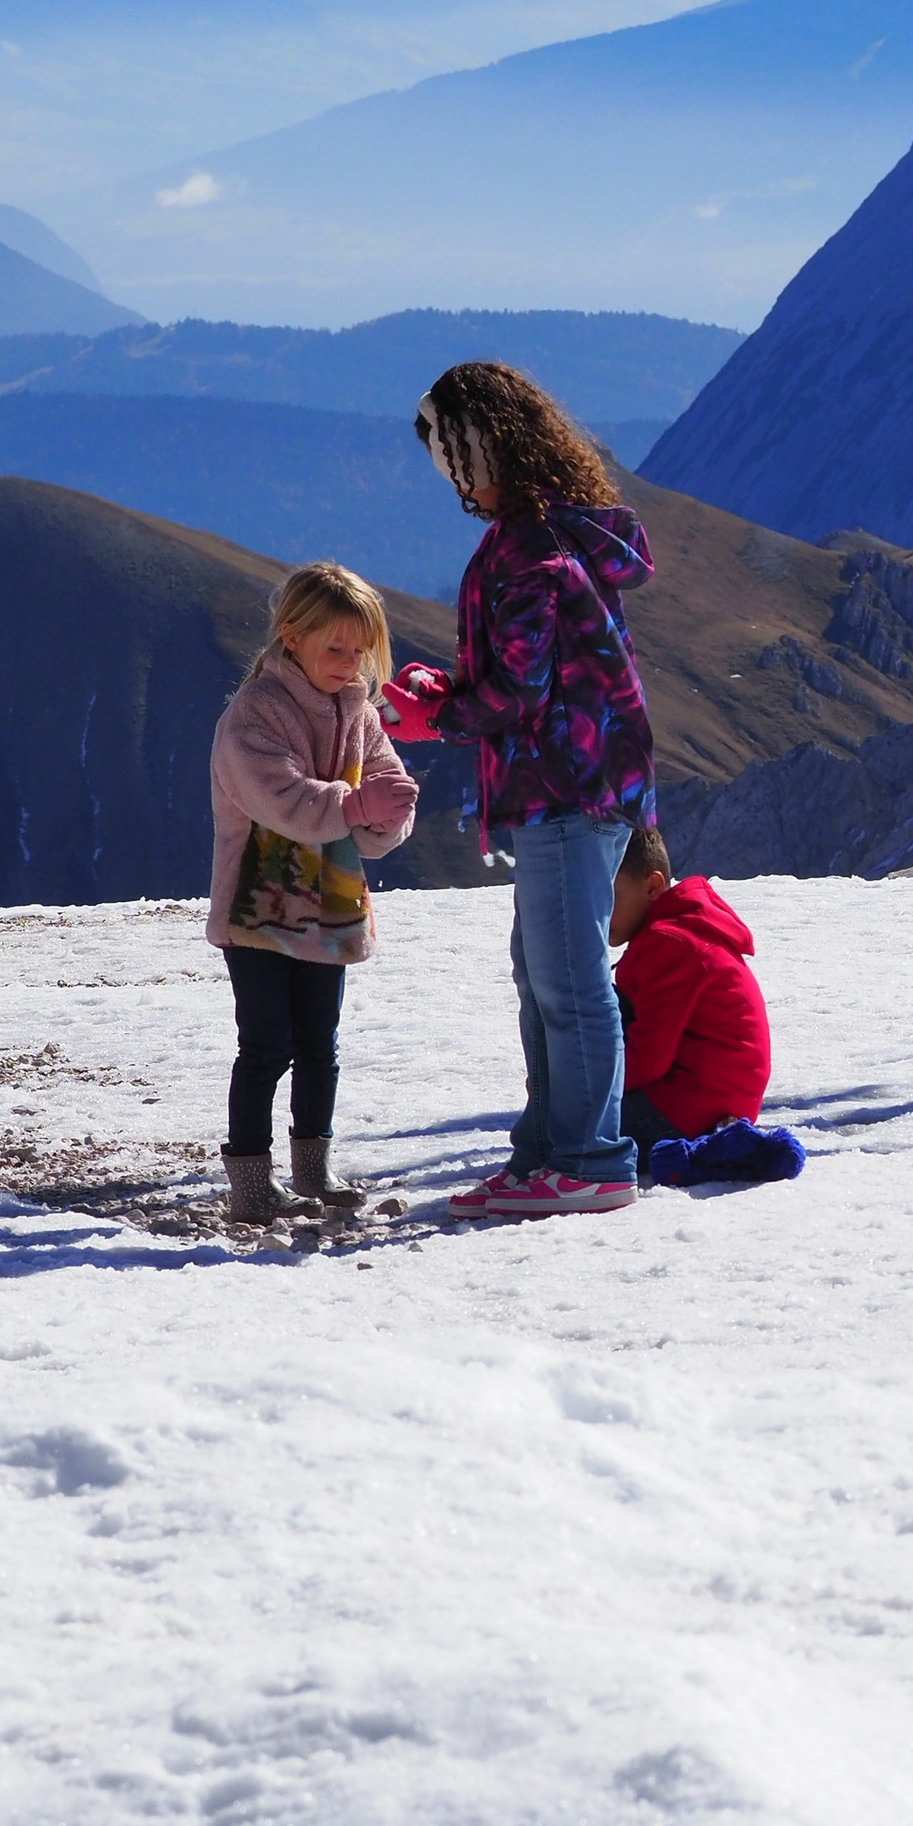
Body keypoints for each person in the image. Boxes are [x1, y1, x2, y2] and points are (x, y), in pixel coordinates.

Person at [379, 360, 657, 1220]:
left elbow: (521, 691)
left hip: (564, 788)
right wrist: (449, 691)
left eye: (448, 449)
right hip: (582, 781)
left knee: (566, 976)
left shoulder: (528, 547)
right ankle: (548, 1151)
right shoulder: (556, 529)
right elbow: (531, 670)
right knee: (545, 969)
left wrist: (441, 717)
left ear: (476, 449)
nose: (445, 470)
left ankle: (589, 1158)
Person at [208, 562, 418, 1224]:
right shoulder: (253, 716)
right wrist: (361, 806)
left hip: (327, 909)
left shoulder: (360, 711)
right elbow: (283, 801)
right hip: (259, 912)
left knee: (319, 1045)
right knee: (268, 1043)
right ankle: (250, 1180)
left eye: (360, 650)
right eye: (337, 647)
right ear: (291, 637)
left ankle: (311, 1169)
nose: (350, 661)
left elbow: (381, 803)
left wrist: (385, 814)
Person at [610, 823, 771, 1152]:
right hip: (717, 1104)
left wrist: (573, 1090)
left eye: (609, 896)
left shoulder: (668, 943)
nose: (596, 911)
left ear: (653, 886)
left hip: (690, 1110)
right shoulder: (681, 929)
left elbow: (647, 1057)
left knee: (564, 1130)